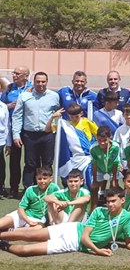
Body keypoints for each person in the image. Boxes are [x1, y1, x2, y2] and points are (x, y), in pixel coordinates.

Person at [0, 187, 130, 257]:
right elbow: (85, 237)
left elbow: (128, 241)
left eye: (114, 201)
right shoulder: (99, 211)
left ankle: (3, 246)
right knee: (30, 235)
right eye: (108, 201)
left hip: (72, 243)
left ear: (122, 200)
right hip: (72, 229)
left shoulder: (128, 218)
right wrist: (97, 250)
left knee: (25, 251)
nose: (110, 204)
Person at [12, 72, 61, 189]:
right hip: (30, 135)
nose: (40, 84)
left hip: (47, 135)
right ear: (33, 82)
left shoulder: (54, 96)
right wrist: (16, 135)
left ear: (47, 82)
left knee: (47, 163)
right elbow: (17, 116)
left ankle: (47, 188)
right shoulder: (24, 96)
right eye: (38, 81)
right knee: (30, 164)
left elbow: (57, 114)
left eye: (43, 81)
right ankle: (28, 189)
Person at [1, 65, 31, 198]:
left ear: (25, 76)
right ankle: (13, 188)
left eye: (17, 73)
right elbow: (1, 106)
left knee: (31, 161)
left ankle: (29, 187)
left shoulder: (32, 88)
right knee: (14, 160)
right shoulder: (9, 88)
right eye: (14, 73)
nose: (14, 75)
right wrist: (10, 106)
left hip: (29, 129)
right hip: (13, 129)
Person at [0, 166, 59, 231]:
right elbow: (21, 209)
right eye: (39, 178)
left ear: (50, 179)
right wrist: (28, 221)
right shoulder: (30, 190)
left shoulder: (54, 188)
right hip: (24, 216)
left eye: (45, 178)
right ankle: (13, 229)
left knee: (39, 228)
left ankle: (11, 230)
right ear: (36, 178)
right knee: (2, 223)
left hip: (38, 220)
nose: (42, 181)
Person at [90, 126, 120, 212]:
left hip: (112, 170)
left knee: (114, 187)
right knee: (94, 188)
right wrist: (95, 180)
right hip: (100, 169)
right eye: (99, 140)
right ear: (96, 138)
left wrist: (114, 178)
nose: (102, 143)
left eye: (104, 140)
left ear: (109, 138)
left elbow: (115, 162)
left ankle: (113, 209)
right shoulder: (93, 148)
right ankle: (93, 210)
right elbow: (94, 164)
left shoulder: (115, 147)